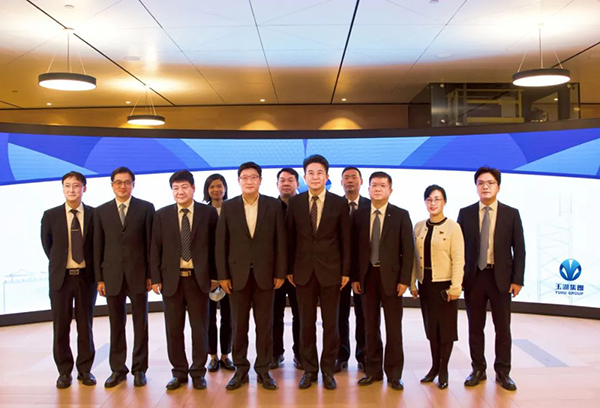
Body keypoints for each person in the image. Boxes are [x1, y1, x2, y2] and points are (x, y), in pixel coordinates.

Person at [216, 162, 287, 391]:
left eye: (253, 177)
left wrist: (280, 272)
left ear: (260, 180)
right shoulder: (229, 207)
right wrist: (222, 276)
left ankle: (263, 370)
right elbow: (221, 243)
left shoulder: (273, 205)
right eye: (244, 177)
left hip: (266, 275)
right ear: (238, 181)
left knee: (265, 326)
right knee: (239, 326)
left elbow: (280, 241)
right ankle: (241, 369)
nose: (249, 181)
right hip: (237, 276)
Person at [286, 154, 351, 390]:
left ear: (327, 176)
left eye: (319, 173)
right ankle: (309, 370)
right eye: (311, 173)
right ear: (304, 177)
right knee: (306, 323)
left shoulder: (339, 203)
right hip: (303, 272)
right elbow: (289, 238)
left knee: (331, 324)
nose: (315, 177)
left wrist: (346, 271)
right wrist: (288, 269)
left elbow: (345, 240)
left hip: (332, 272)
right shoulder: (295, 203)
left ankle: (328, 369)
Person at [457, 166, 525, 391]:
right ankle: (478, 369)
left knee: (502, 328)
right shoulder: (465, 213)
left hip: (501, 279)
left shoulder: (511, 213)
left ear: (498, 187)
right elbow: (458, 249)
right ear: (476, 187)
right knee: (475, 327)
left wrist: (517, 280)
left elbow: (519, 249)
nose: (485, 186)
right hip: (474, 278)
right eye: (481, 183)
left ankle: (503, 372)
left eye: (490, 183)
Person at [151, 170, 219, 390]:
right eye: (176, 188)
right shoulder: (161, 215)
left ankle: (198, 372)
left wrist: (216, 276)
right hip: (172, 281)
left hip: (198, 280)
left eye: (184, 187)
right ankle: (179, 372)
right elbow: (155, 249)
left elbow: (216, 247)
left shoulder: (208, 213)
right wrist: (156, 278)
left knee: (200, 329)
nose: (180, 192)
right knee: (173, 329)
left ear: (193, 188)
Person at [351, 171, 413, 391]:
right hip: (367, 277)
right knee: (369, 326)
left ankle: (394, 374)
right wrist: (355, 277)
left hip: (393, 279)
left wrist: (404, 280)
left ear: (390, 190)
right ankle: (373, 371)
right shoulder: (359, 215)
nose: (378, 189)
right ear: (367, 189)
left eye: (382, 185)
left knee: (393, 328)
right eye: (374, 185)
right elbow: (354, 249)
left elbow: (408, 250)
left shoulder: (401, 215)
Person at [93, 167, 155, 388]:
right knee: (116, 324)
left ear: (133, 185)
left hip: (139, 276)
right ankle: (118, 369)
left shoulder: (146, 208)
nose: (122, 186)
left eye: (127, 182)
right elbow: (97, 247)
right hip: (112, 276)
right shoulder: (100, 212)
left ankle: (140, 369)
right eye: (118, 182)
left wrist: (151, 274)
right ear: (112, 185)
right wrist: (100, 278)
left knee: (141, 324)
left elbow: (151, 245)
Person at [41, 171, 97, 389]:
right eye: (67, 186)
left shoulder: (94, 215)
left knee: (85, 325)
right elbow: (48, 246)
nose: (72, 190)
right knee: (61, 326)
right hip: (61, 279)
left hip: (85, 278)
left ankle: (85, 370)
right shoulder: (51, 215)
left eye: (76, 185)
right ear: (63, 188)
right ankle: (64, 372)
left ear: (84, 188)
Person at [410, 185, 464, 390]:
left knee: (446, 330)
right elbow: (413, 258)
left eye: (437, 199)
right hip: (426, 284)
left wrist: (456, 287)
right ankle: (433, 367)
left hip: (445, 286)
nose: (433, 203)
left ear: (444, 202)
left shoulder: (453, 227)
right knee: (432, 329)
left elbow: (458, 259)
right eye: (429, 200)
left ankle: (443, 370)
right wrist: (412, 282)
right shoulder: (419, 227)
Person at [337, 166, 368, 373]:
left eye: (354, 177)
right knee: (339, 315)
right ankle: (341, 355)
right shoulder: (335, 205)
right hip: (338, 270)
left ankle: (364, 355)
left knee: (364, 315)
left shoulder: (370, 205)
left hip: (364, 271)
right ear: (341, 182)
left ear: (361, 181)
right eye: (346, 178)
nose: (350, 181)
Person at [271, 168, 303, 370]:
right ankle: (275, 353)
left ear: (297, 184)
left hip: (299, 271)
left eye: (290, 180)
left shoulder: (304, 206)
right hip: (275, 271)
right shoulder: (270, 206)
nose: (286, 183)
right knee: (274, 315)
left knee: (301, 315)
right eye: (282, 180)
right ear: (277, 184)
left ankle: (300, 353)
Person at [203, 174, 234, 373]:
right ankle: (212, 356)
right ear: (207, 190)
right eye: (212, 186)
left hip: (231, 272)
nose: (216, 190)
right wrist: (211, 275)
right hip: (208, 273)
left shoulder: (232, 209)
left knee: (229, 316)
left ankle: (226, 355)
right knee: (209, 317)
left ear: (225, 188)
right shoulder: (202, 212)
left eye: (219, 186)